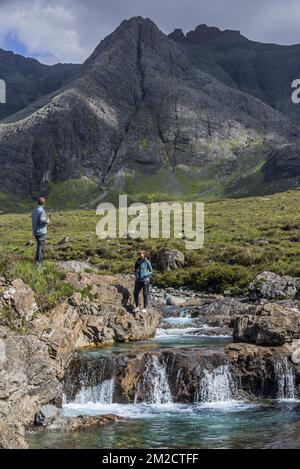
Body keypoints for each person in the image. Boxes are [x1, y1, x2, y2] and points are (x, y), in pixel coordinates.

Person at [32, 196, 51, 267]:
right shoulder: (42, 210)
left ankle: (39, 262)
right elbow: (41, 220)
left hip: (36, 231)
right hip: (41, 232)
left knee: (40, 246)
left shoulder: (35, 210)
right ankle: (38, 264)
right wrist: (48, 220)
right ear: (44, 203)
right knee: (41, 247)